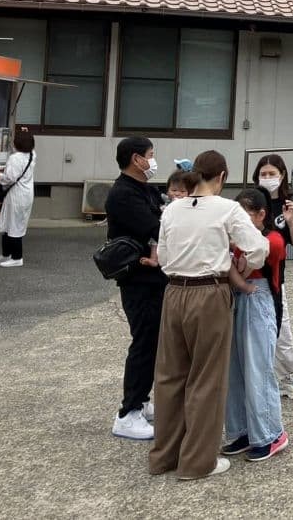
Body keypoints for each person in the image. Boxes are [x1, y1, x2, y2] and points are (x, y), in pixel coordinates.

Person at [148, 150, 270, 480]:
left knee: (170, 376)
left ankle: (164, 456)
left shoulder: (173, 209)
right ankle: (198, 461)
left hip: (174, 292)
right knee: (207, 378)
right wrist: (246, 265)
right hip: (210, 292)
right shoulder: (227, 208)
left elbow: (164, 255)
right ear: (222, 177)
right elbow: (260, 247)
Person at [221, 188, 290, 463]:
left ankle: (271, 433)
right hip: (238, 299)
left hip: (258, 299)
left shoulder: (272, 239)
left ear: (261, 214)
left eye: (245, 213)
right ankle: (242, 430)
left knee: (257, 369)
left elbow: (256, 257)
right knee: (234, 370)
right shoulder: (241, 241)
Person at [105, 135, 166, 442]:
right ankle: (128, 414)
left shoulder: (145, 189)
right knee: (143, 343)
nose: (153, 161)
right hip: (139, 280)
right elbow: (157, 227)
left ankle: (141, 401)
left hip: (156, 279)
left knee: (154, 342)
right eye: (150, 155)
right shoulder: (122, 195)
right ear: (136, 159)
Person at [252, 155, 293, 401]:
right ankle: (257, 379)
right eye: (263, 174)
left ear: (282, 175)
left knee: (281, 329)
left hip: (276, 280)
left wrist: (290, 222)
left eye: (271, 173)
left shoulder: (290, 204)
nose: (267, 178)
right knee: (251, 332)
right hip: (249, 276)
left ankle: (288, 377)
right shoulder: (250, 202)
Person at [0, 127, 35, 268]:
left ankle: (16, 257)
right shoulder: (32, 155)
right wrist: (26, 133)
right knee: (12, 224)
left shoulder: (15, 158)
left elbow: (10, 178)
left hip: (16, 196)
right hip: (26, 194)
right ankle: (6, 255)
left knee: (13, 225)